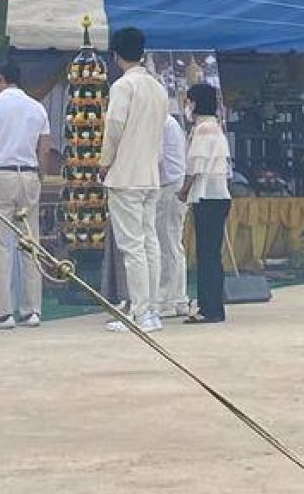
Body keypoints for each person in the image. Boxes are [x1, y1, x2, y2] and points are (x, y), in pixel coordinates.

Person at [0, 59, 50, 329]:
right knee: (31, 244)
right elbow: (44, 147)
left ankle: (3, 313)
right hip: (29, 175)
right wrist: (38, 176)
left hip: (0, 174)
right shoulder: (37, 107)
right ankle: (32, 310)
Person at [99, 27, 168, 333]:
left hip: (126, 174)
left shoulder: (124, 86)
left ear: (115, 55)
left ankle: (140, 313)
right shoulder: (158, 87)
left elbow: (113, 127)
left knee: (133, 247)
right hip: (151, 175)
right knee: (150, 242)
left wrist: (104, 163)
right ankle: (152, 309)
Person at [178, 83, 232, 324]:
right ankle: (212, 306)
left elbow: (194, 167)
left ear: (196, 103)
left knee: (206, 254)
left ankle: (208, 308)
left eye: (189, 101)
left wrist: (183, 191)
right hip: (218, 197)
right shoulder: (215, 128)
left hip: (207, 197)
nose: (186, 106)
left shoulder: (203, 130)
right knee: (212, 253)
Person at [156, 111, 189, 318]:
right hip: (173, 184)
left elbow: (157, 157)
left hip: (168, 186)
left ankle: (167, 300)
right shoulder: (171, 123)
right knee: (173, 244)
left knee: (166, 244)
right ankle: (177, 298)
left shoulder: (160, 122)